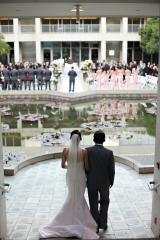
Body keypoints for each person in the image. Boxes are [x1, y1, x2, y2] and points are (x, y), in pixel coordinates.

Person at [39, 130, 99, 239]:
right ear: (80, 139)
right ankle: (81, 220)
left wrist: (71, 167)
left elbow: (62, 165)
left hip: (70, 177)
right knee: (80, 197)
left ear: (70, 138)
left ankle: (67, 219)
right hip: (81, 177)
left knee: (71, 196)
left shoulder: (65, 151)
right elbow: (86, 167)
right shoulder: (84, 151)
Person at [86, 130, 115, 233]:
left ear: (93, 139)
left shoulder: (87, 151)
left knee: (93, 204)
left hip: (91, 182)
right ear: (104, 140)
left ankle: (95, 225)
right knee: (105, 202)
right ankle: (103, 224)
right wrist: (111, 181)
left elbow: (85, 168)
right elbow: (111, 170)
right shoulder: (109, 153)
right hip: (104, 182)